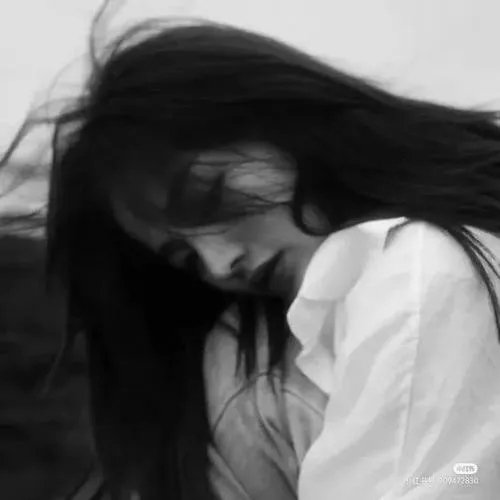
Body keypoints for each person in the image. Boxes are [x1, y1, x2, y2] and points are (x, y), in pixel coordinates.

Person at [3, 9, 500, 500]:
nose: (219, 265)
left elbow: (439, 481)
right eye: (186, 260)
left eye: (209, 198)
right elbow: (449, 476)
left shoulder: (414, 271)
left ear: (284, 122)